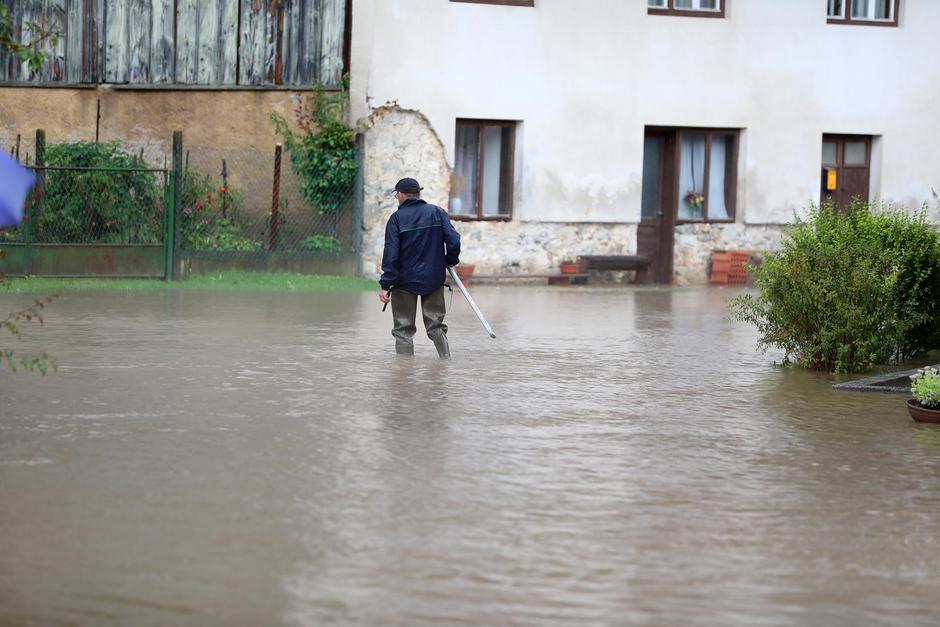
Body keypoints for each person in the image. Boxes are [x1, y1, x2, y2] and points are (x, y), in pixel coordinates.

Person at [379, 177, 461, 357]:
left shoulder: (396, 219)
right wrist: (451, 259)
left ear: (400, 195)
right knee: (436, 326)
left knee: (403, 329)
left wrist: (385, 285)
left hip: (403, 282)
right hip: (433, 279)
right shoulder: (437, 213)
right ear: (418, 194)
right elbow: (454, 240)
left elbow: (391, 254)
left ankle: (404, 371)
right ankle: (446, 362)